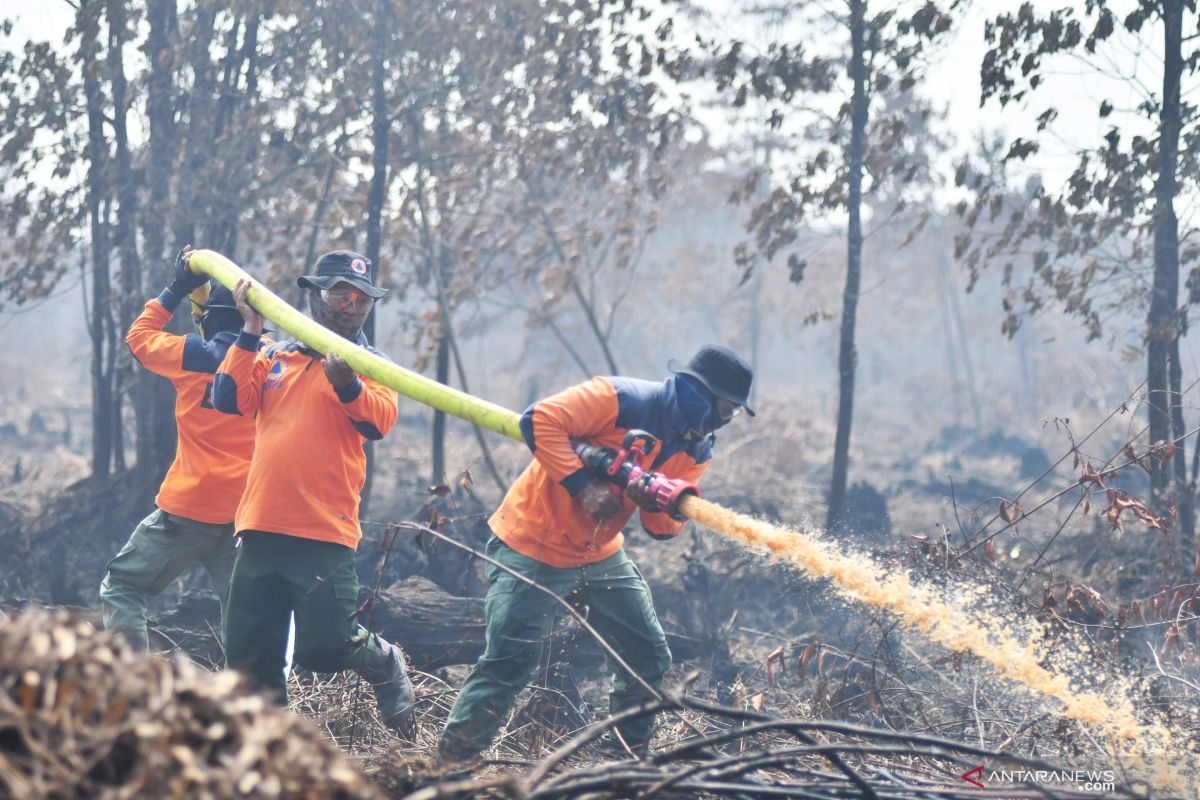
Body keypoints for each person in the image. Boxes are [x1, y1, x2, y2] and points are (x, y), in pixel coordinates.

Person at [437, 345, 755, 762]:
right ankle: (451, 764)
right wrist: (582, 486)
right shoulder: (619, 398)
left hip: (598, 552)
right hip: (533, 543)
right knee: (509, 662)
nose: (728, 418)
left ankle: (624, 757)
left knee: (647, 655)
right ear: (700, 393)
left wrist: (654, 500)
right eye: (727, 407)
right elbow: (539, 419)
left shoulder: (697, 449)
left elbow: (662, 529)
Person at [209, 250, 415, 731]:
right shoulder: (274, 353)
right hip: (260, 527)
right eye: (340, 293)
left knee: (325, 647)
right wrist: (250, 330)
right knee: (247, 665)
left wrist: (347, 385)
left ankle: (384, 663)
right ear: (315, 293)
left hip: (324, 531)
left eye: (362, 298)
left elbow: (378, 421)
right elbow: (227, 398)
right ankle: (272, 757)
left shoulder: (373, 365)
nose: (351, 304)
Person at [101, 245, 257, 651]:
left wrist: (177, 287)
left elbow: (138, 338)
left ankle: (132, 679)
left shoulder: (191, 354)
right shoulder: (270, 365)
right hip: (243, 516)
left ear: (210, 319)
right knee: (245, 617)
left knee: (122, 585)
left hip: (188, 509)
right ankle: (249, 700)